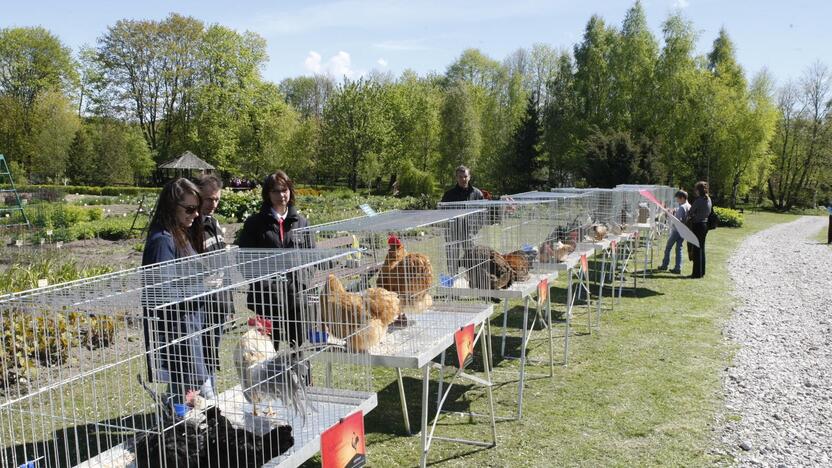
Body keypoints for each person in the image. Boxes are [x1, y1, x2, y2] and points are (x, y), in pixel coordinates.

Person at [141, 178, 217, 403]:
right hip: (179, 335)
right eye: (190, 209)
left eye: (197, 209)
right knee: (203, 397)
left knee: (185, 397)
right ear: (172, 206)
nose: (196, 215)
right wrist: (203, 287)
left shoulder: (179, 233)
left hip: (189, 329)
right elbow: (161, 293)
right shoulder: (163, 241)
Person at [238, 171, 315, 347]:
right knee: (267, 351)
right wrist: (264, 285)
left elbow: (311, 257)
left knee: (299, 349)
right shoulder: (254, 223)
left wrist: (301, 282)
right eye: (275, 191)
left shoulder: (301, 223)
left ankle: (300, 375)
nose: (281, 195)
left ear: (290, 191)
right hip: (267, 299)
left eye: (285, 190)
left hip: (296, 297)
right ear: (267, 194)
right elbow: (244, 260)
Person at [440, 165, 485, 274]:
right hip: (452, 232)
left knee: (472, 258)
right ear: (456, 178)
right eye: (460, 177)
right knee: (452, 258)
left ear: (469, 177)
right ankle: (453, 280)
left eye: (465, 176)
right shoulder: (449, 195)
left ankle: (473, 280)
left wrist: (475, 229)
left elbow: (482, 214)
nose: (463, 179)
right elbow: (441, 213)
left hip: (470, 232)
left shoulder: (477, 194)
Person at [658, 190, 691, 274]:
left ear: (682, 198)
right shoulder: (689, 206)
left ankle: (664, 265)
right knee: (679, 249)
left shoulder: (682, 207)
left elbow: (678, 220)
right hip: (684, 231)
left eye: (678, 199)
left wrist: (669, 214)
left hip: (677, 231)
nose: (677, 201)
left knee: (668, 248)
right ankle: (678, 268)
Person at [193, 174, 226, 252]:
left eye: (217, 200)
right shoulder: (190, 227)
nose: (214, 205)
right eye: (209, 199)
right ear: (196, 197)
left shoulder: (214, 222)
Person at [686, 181, 712, 279]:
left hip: (698, 225)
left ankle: (696, 274)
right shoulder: (708, 199)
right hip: (705, 225)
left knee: (697, 249)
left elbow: (690, 212)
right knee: (701, 249)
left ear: (698, 190)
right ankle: (702, 272)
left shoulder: (699, 200)